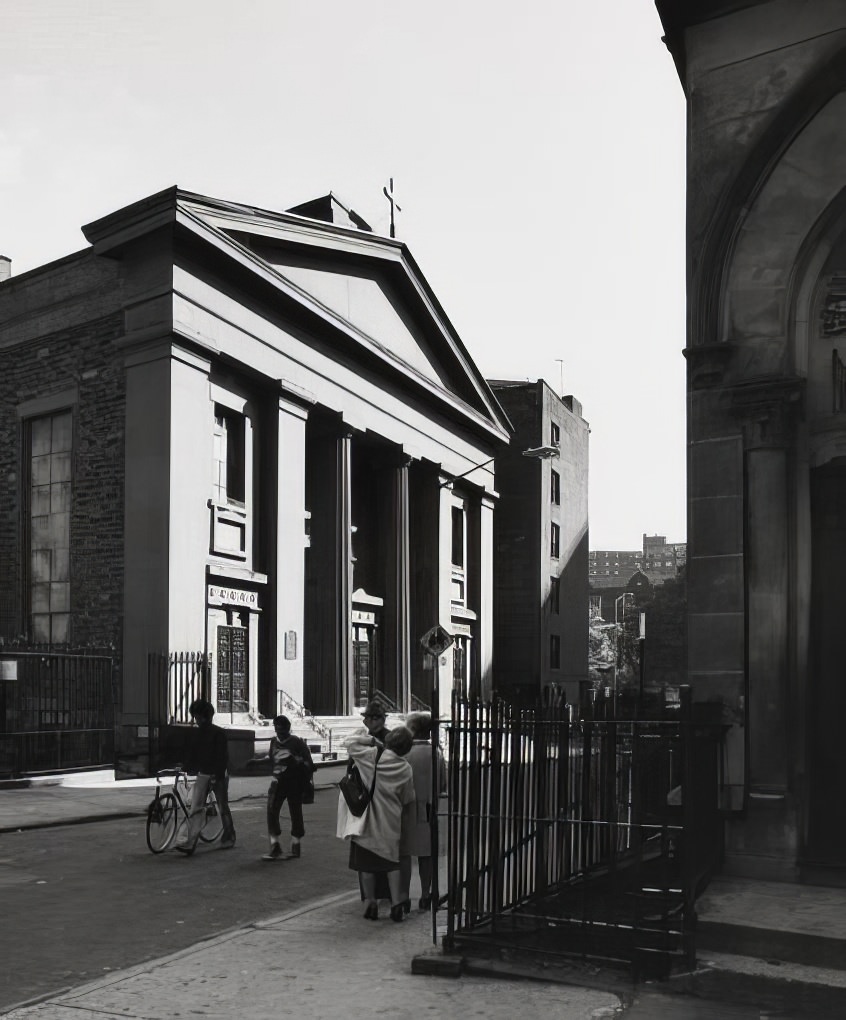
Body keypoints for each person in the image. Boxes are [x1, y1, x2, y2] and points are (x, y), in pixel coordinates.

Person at [337, 724, 415, 922]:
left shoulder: (373, 757)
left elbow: (349, 742)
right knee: (391, 863)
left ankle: (370, 903)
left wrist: (372, 740)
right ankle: (397, 904)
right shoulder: (406, 768)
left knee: (367, 865)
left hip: (368, 820)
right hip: (391, 821)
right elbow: (407, 798)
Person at [177, 698, 236, 852]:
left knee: (222, 806)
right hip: (205, 772)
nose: (197, 720)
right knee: (197, 806)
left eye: (198, 717)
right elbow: (193, 754)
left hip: (217, 774)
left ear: (205, 716)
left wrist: (216, 775)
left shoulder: (218, 733)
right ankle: (191, 841)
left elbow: (222, 757)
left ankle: (229, 835)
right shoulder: (200, 734)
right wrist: (186, 767)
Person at [404, 711, 446, 910]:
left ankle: (403, 895)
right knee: (426, 855)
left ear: (412, 729)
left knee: (403, 853)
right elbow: (443, 783)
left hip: (405, 808)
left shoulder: (404, 752)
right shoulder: (436, 753)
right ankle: (426, 894)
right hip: (429, 809)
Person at [261, 715, 315, 861]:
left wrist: (296, 761)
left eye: (283, 731)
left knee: (295, 811)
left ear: (288, 729)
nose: (280, 734)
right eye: (278, 731)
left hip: (294, 782)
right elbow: (272, 759)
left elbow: (310, 764)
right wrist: (257, 762)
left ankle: (295, 846)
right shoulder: (273, 741)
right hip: (277, 781)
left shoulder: (297, 742)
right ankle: (275, 845)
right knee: (271, 810)